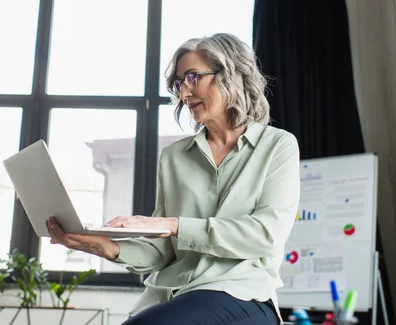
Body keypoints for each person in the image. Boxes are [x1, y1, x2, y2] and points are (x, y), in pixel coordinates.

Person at [46, 33, 300, 325]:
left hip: (245, 295)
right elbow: (163, 251)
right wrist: (104, 246)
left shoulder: (278, 146)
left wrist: (172, 225)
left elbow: (265, 235)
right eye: (179, 84)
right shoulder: (174, 157)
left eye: (193, 78)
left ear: (230, 73)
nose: (184, 94)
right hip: (176, 296)